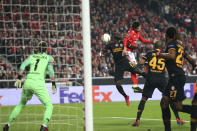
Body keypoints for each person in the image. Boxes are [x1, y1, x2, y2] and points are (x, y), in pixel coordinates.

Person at [3, 41, 56, 131]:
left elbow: (23, 65)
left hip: (28, 82)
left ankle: (7, 124)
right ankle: (44, 126)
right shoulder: (49, 58)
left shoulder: (32, 56)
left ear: (38, 49)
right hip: (38, 83)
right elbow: (51, 70)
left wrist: (19, 78)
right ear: (46, 49)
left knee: (21, 104)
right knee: (49, 106)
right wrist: (53, 83)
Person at [131, 41, 184, 127]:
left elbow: (140, 63)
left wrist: (139, 65)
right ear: (162, 47)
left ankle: (137, 121)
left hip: (150, 78)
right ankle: (178, 119)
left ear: (154, 46)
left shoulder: (149, 53)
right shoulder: (165, 55)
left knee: (144, 99)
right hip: (161, 80)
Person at [158, 27, 197, 131]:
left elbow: (171, 56)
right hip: (175, 77)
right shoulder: (178, 44)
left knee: (176, 106)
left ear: (167, 35)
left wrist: (160, 54)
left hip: (176, 77)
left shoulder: (171, 45)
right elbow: (187, 56)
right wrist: (192, 63)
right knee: (165, 102)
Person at [102, 33, 146, 106]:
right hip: (118, 66)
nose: (119, 40)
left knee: (138, 71)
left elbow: (132, 47)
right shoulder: (110, 45)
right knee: (117, 83)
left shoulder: (123, 43)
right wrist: (104, 51)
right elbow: (104, 52)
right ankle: (126, 96)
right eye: (118, 39)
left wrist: (134, 45)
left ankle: (150, 77)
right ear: (114, 39)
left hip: (125, 62)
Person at [122, 21, 156, 93]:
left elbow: (143, 40)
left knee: (134, 69)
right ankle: (137, 83)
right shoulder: (130, 33)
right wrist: (125, 48)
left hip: (131, 52)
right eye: (139, 27)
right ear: (135, 28)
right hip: (128, 52)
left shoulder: (138, 33)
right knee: (134, 68)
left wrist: (152, 42)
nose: (140, 28)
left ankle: (135, 86)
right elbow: (125, 40)